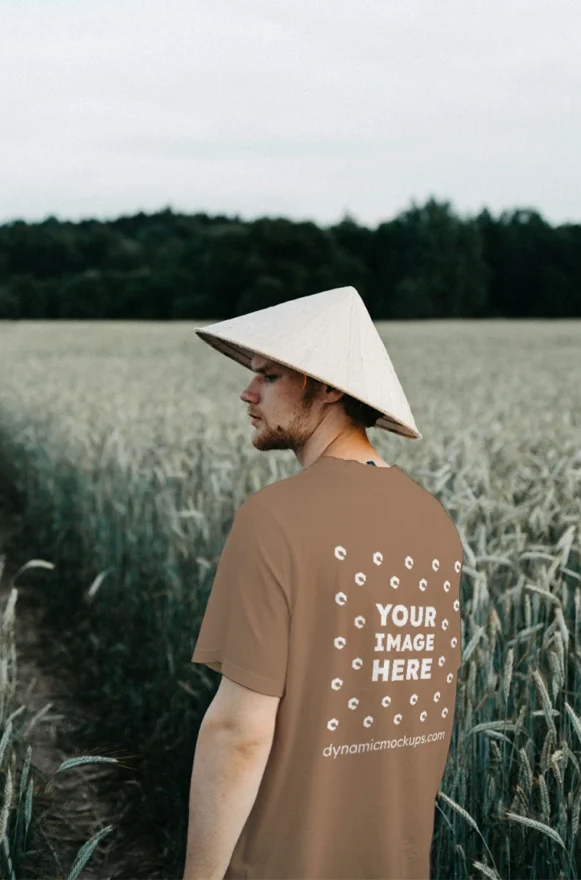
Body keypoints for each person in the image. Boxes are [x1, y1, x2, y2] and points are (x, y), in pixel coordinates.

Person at [185, 286, 463, 880]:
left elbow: (239, 731)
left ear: (330, 386)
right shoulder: (435, 523)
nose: (247, 391)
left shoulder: (274, 517)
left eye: (269, 375)